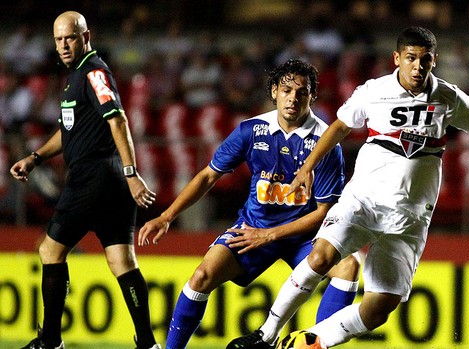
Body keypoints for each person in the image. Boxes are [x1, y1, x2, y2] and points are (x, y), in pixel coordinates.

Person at [228, 26, 469, 349]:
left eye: (424, 60)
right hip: (364, 201)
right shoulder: (374, 91)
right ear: (397, 58)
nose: (417, 67)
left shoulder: (448, 98)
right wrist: (307, 166)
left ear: (434, 61)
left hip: (409, 218)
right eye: (410, 58)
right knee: (321, 256)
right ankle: (265, 334)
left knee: (381, 307)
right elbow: (339, 126)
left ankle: (311, 341)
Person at [138, 59, 360, 349]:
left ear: (312, 96)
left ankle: (316, 344)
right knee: (202, 275)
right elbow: (207, 176)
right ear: (273, 92)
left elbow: (323, 213)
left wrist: (270, 235)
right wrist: (166, 216)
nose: (293, 98)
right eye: (286, 90)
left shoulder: (325, 143)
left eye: (302, 92)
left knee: (348, 267)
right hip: (254, 228)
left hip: (303, 237)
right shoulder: (251, 131)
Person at [9, 11, 159, 349]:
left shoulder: (93, 72)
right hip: (110, 181)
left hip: (95, 176)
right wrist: (34, 158)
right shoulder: (76, 76)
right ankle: (148, 343)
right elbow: (68, 131)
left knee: (50, 250)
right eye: (58, 39)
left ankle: (50, 342)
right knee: (121, 259)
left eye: (70, 38)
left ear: (85, 36)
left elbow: (118, 120)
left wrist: (132, 172)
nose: (63, 45)